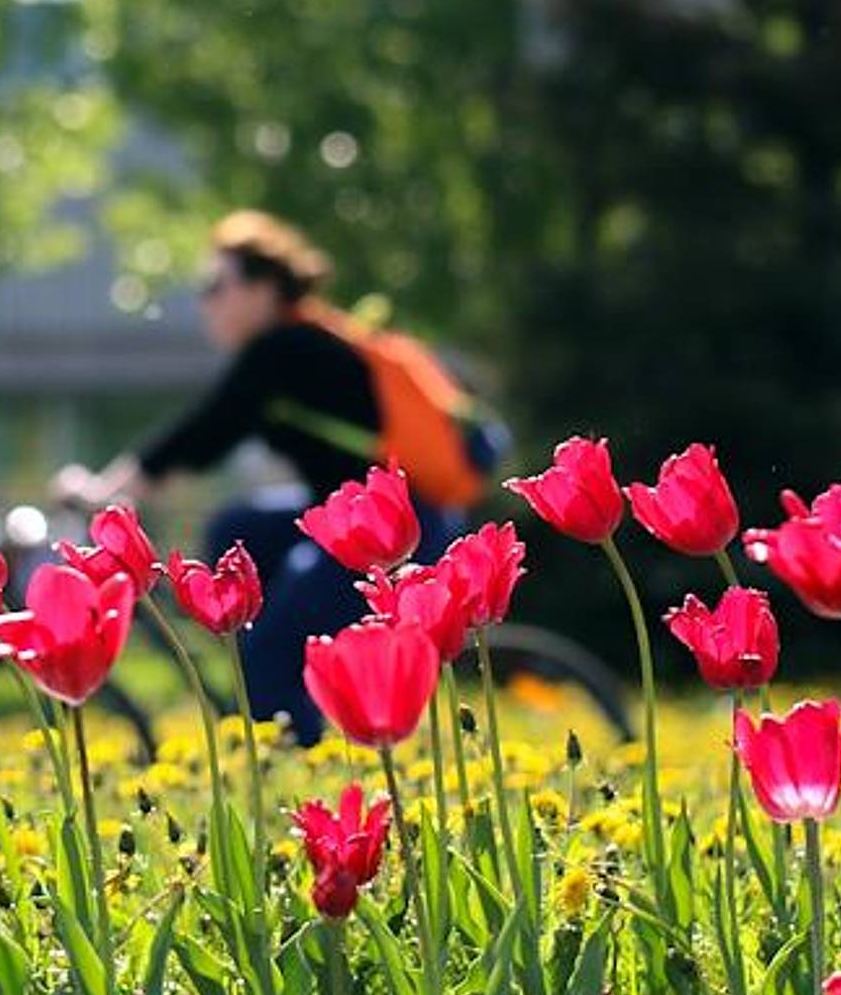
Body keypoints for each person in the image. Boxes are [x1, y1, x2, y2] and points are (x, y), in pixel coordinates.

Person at [52, 211, 506, 744]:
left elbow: (205, 431)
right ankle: (268, 690)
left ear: (263, 289)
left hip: (398, 531)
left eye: (215, 286)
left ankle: (290, 757)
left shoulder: (284, 349)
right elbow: (207, 440)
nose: (205, 303)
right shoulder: (299, 345)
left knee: (273, 650)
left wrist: (108, 493)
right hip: (356, 519)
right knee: (236, 530)